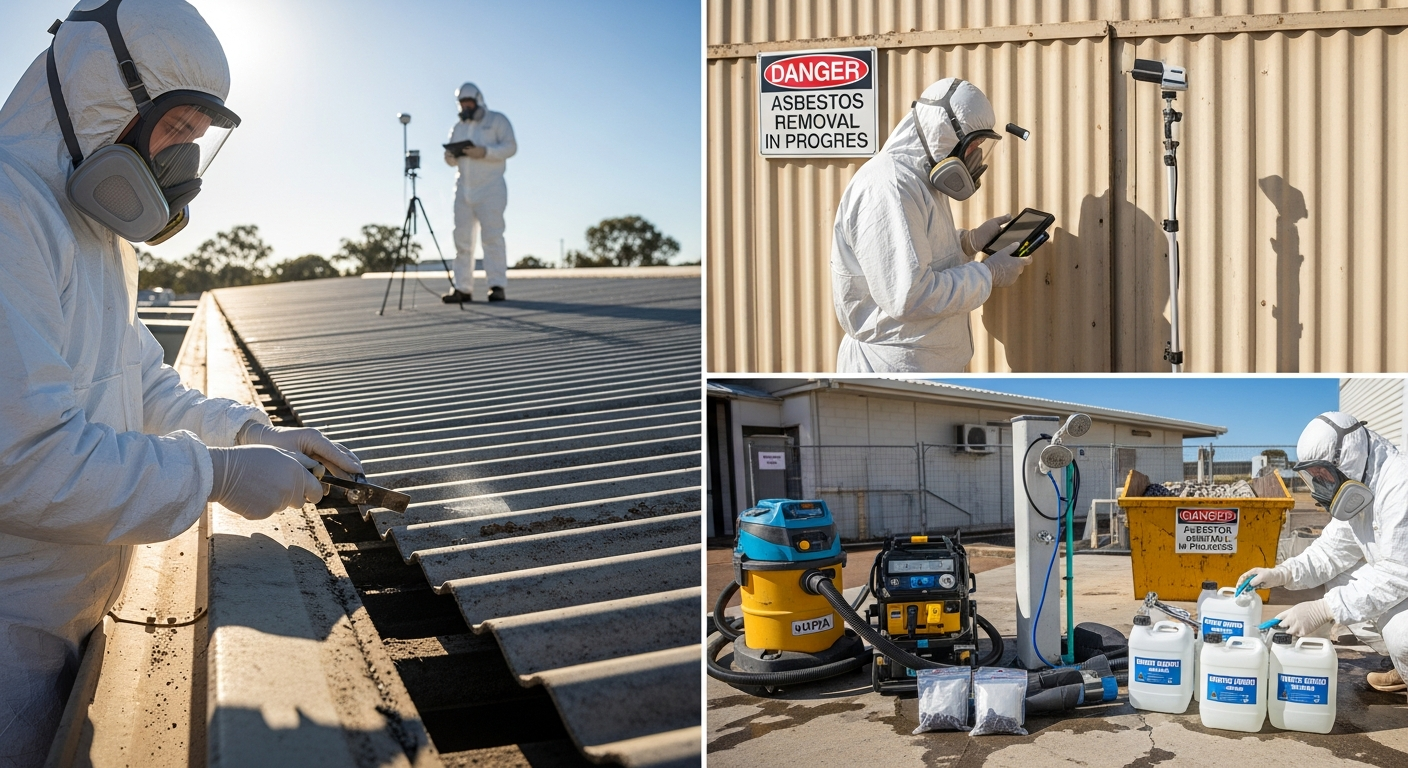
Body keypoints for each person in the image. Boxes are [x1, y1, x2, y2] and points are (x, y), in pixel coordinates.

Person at [0, 0, 362, 761]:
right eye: (177, 129)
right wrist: (217, 474)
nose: (180, 165)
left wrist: (250, 431)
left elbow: (142, 385)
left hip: (67, 612)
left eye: (195, 142)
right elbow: (24, 462)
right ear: (107, 93)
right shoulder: (9, 212)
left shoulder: (93, 231)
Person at [830, 77, 1031, 373]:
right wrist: (988, 273)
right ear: (944, 133)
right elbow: (909, 295)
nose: (975, 155)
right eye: (973, 144)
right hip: (895, 367)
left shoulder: (921, 180)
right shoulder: (889, 187)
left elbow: (922, 256)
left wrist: (968, 244)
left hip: (923, 361)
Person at [1239, 411, 1408, 697]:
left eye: (1323, 473)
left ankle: (1403, 655)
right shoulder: (1362, 486)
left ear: (1348, 456)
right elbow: (1331, 551)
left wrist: (1322, 609)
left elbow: (1397, 571)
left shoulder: (1399, 483)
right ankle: (1402, 666)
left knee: (1402, 638)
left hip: (1401, 575)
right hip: (1399, 579)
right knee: (1340, 576)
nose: (1320, 484)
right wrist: (1281, 573)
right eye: (1313, 476)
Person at [441, 82, 517, 303]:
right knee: (462, 240)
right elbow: (451, 161)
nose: (465, 107)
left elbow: (511, 147)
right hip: (463, 189)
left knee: (492, 237)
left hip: (491, 189)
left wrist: (485, 152)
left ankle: (496, 285)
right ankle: (462, 288)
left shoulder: (497, 121)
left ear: (478, 100)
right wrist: (450, 156)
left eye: (469, 103)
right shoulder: (458, 128)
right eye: (462, 104)